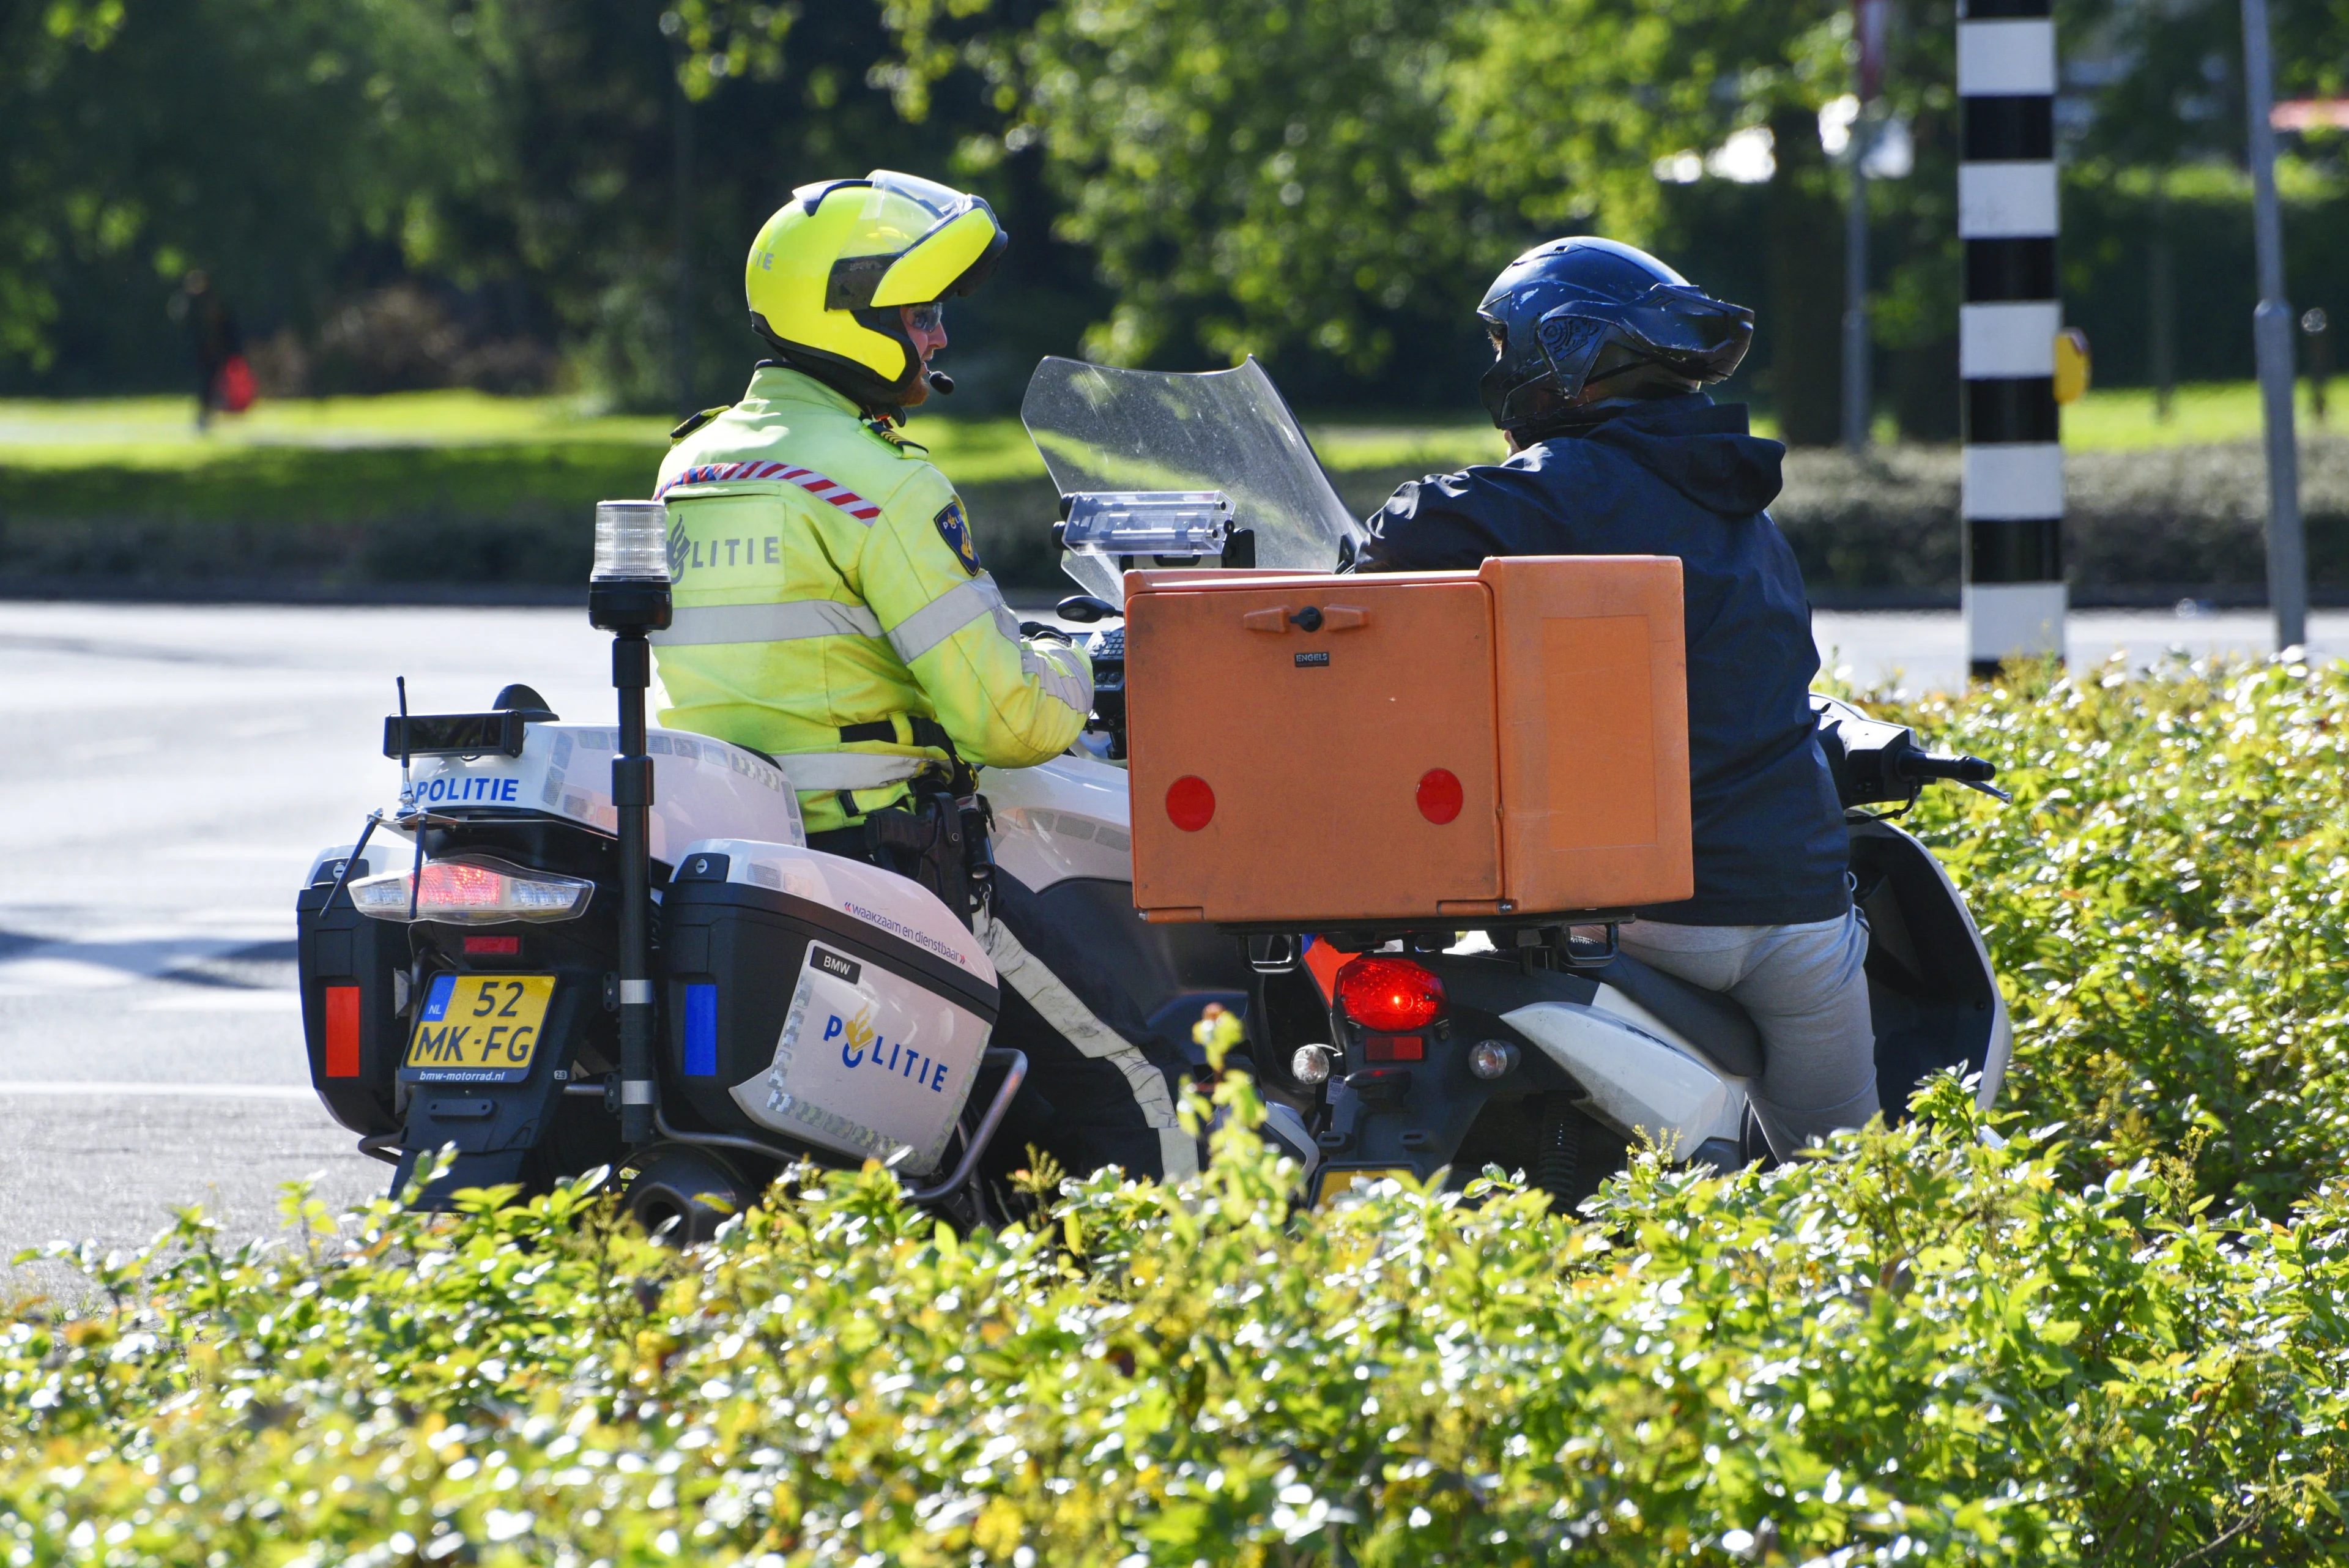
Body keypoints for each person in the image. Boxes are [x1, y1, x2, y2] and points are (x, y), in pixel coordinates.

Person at [652, 171, 1197, 1183]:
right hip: (883, 864)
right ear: (851, 316)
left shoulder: (690, 466)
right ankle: (1181, 1281)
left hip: (733, 860)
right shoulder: (880, 486)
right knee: (1134, 1084)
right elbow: (1006, 720)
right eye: (919, 314)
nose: (939, 337)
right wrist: (1084, 665)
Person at [1356, 236, 1874, 1159]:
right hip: (1796, 910)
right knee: (1854, 1182)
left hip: (1649, 911)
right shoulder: (1745, 510)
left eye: (1507, 347)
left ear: (1561, 354)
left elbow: (1407, 532)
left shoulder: (1577, 486)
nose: (1501, 370)